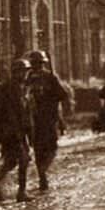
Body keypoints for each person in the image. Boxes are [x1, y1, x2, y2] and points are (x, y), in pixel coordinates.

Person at [0, 59, 35, 202]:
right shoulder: (14, 89)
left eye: (27, 71)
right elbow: (18, 112)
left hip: (12, 130)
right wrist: (23, 130)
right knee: (23, 159)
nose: (26, 74)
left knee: (12, 161)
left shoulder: (19, 87)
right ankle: (21, 192)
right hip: (13, 130)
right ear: (17, 72)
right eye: (24, 71)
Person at [26, 50, 72, 192]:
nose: (37, 66)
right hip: (46, 118)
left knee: (40, 149)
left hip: (36, 119)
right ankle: (43, 173)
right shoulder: (50, 77)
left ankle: (42, 175)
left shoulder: (27, 79)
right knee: (50, 148)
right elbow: (63, 95)